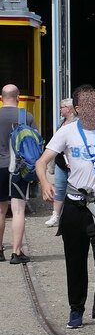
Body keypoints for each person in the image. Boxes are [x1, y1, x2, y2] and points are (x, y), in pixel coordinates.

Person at [34, 85, 95, 333]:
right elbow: (41, 162)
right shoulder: (67, 132)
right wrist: (45, 183)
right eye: (89, 105)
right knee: (75, 261)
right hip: (75, 205)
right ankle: (76, 309)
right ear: (78, 109)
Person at [0, 83, 30, 263]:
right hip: (18, 168)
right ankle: (16, 253)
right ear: (18, 97)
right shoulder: (25, 116)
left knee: (0, 210)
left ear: (2, 98)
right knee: (18, 210)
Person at [45, 97, 76, 228]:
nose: (60, 110)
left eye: (61, 107)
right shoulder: (60, 122)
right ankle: (55, 215)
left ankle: (73, 216)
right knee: (59, 189)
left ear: (68, 109)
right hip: (60, 162)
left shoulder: (78, 123)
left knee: (75, 191)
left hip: (74, 164)